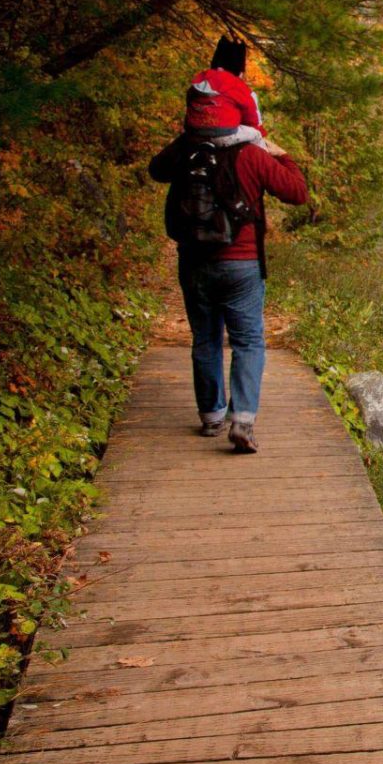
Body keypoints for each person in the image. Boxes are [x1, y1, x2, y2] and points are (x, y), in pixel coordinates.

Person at [149, 41, 308, 453]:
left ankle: (211, 416)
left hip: (195, 261)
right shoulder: (251, 154)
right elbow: (297, 192)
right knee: (248, 341)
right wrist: (282, 154)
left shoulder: (188, 147)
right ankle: (242, 421)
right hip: (241, 265)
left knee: (205, 338)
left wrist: (187, 142)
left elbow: (156, 170)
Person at [185, 34, 267, 146]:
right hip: (223, 136)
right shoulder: (240, 86)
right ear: (240, 71)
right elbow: (252, 120)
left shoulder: (202, 77)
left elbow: (190, 97)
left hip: (193, 132)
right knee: (256, 134)